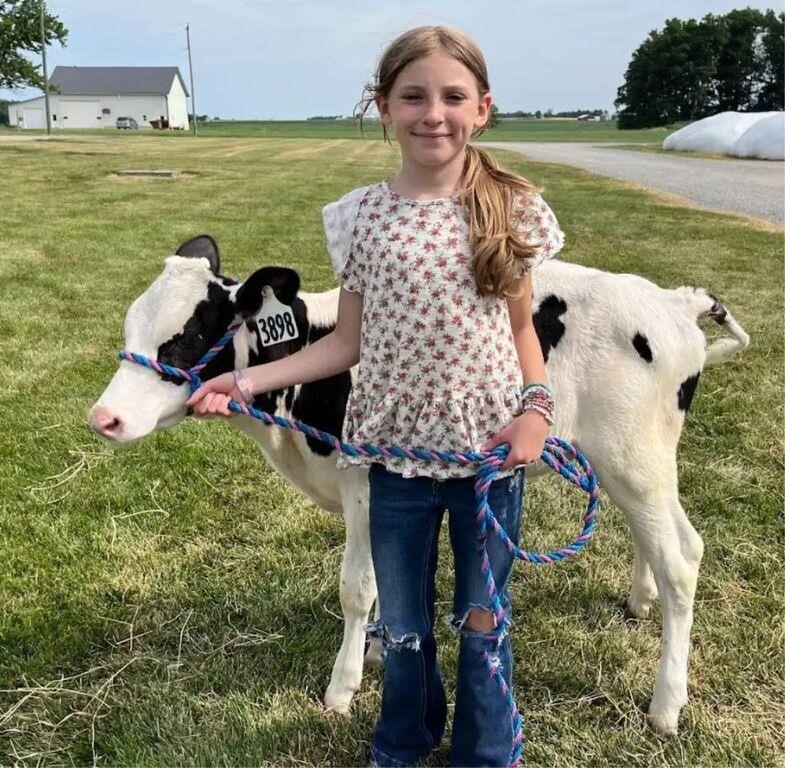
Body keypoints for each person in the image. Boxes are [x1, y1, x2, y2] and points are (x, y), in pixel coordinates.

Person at [186, 24, 563, 767]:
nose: (434, 113)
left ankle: (487, 752)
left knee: (481, 617)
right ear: (382, 106)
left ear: (481, 108)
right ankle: (403, 737)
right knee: (403, 620)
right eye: (412, 96)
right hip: (391, 459)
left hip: (487, 456)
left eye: (453, 96)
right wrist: (248, 379)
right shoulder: (359, 215)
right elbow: (344, 344)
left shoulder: (509, 209)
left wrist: (534, 411)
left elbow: (525, 333)